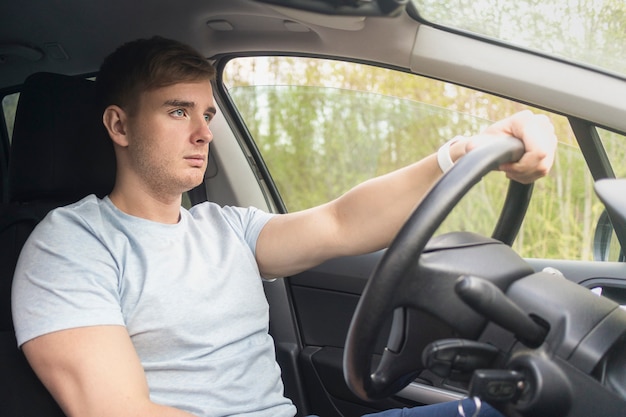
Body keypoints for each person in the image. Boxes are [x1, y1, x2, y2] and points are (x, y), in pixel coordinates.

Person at [11, 36, 556, 417]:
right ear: (119, 124)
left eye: (207, 115)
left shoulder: (226, 228)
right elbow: (117, 411)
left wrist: (456, 155)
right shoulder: (71, 244)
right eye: (178, 112)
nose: (203, 133)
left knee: (530, 406)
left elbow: (342, 222)